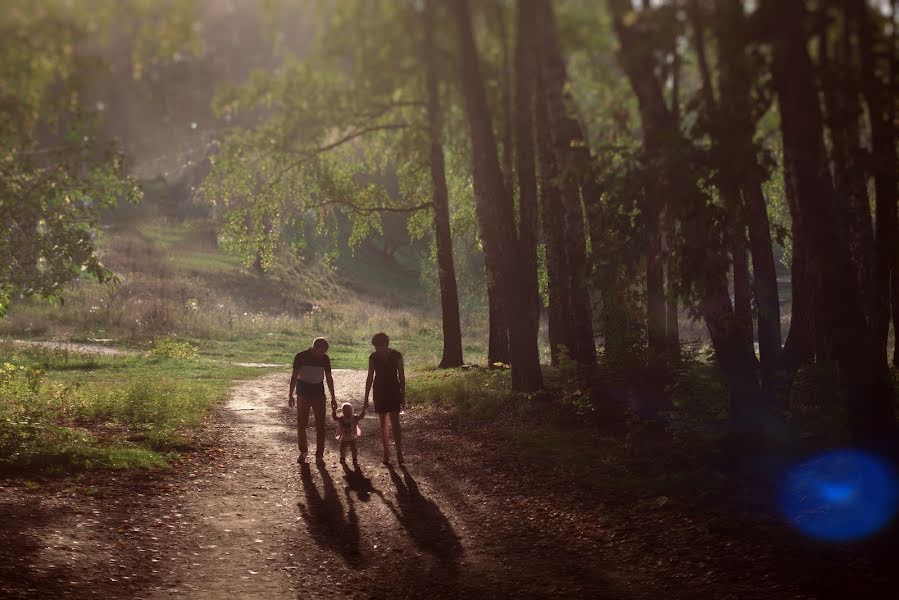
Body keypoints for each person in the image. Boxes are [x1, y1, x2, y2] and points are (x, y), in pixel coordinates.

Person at [288, 337, 337, 464]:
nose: (322, 354)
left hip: (318, 394)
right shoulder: (300, 357)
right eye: (321, 351)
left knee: (320, 425)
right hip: (303, 394)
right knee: (301, 424)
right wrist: (290, 394)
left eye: (324, 352)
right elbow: (294, 376)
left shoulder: (324, 359)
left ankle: (319, 455)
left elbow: (329, 378)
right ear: (314, 348)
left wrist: (333, 397)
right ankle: (303, 451)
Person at [363, 332, 405, 464]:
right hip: (379, 390)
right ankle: (386, 451)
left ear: (385, 344)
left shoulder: (397, 355)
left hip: (393, 389)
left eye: (378, 346)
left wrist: (403, 394)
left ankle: (399, 451)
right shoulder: (373, 357)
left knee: (395, 422)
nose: (376, 349)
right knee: (382, 423)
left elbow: (402, 376)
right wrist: (365, 397)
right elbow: (370, 377)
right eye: (375, 346)